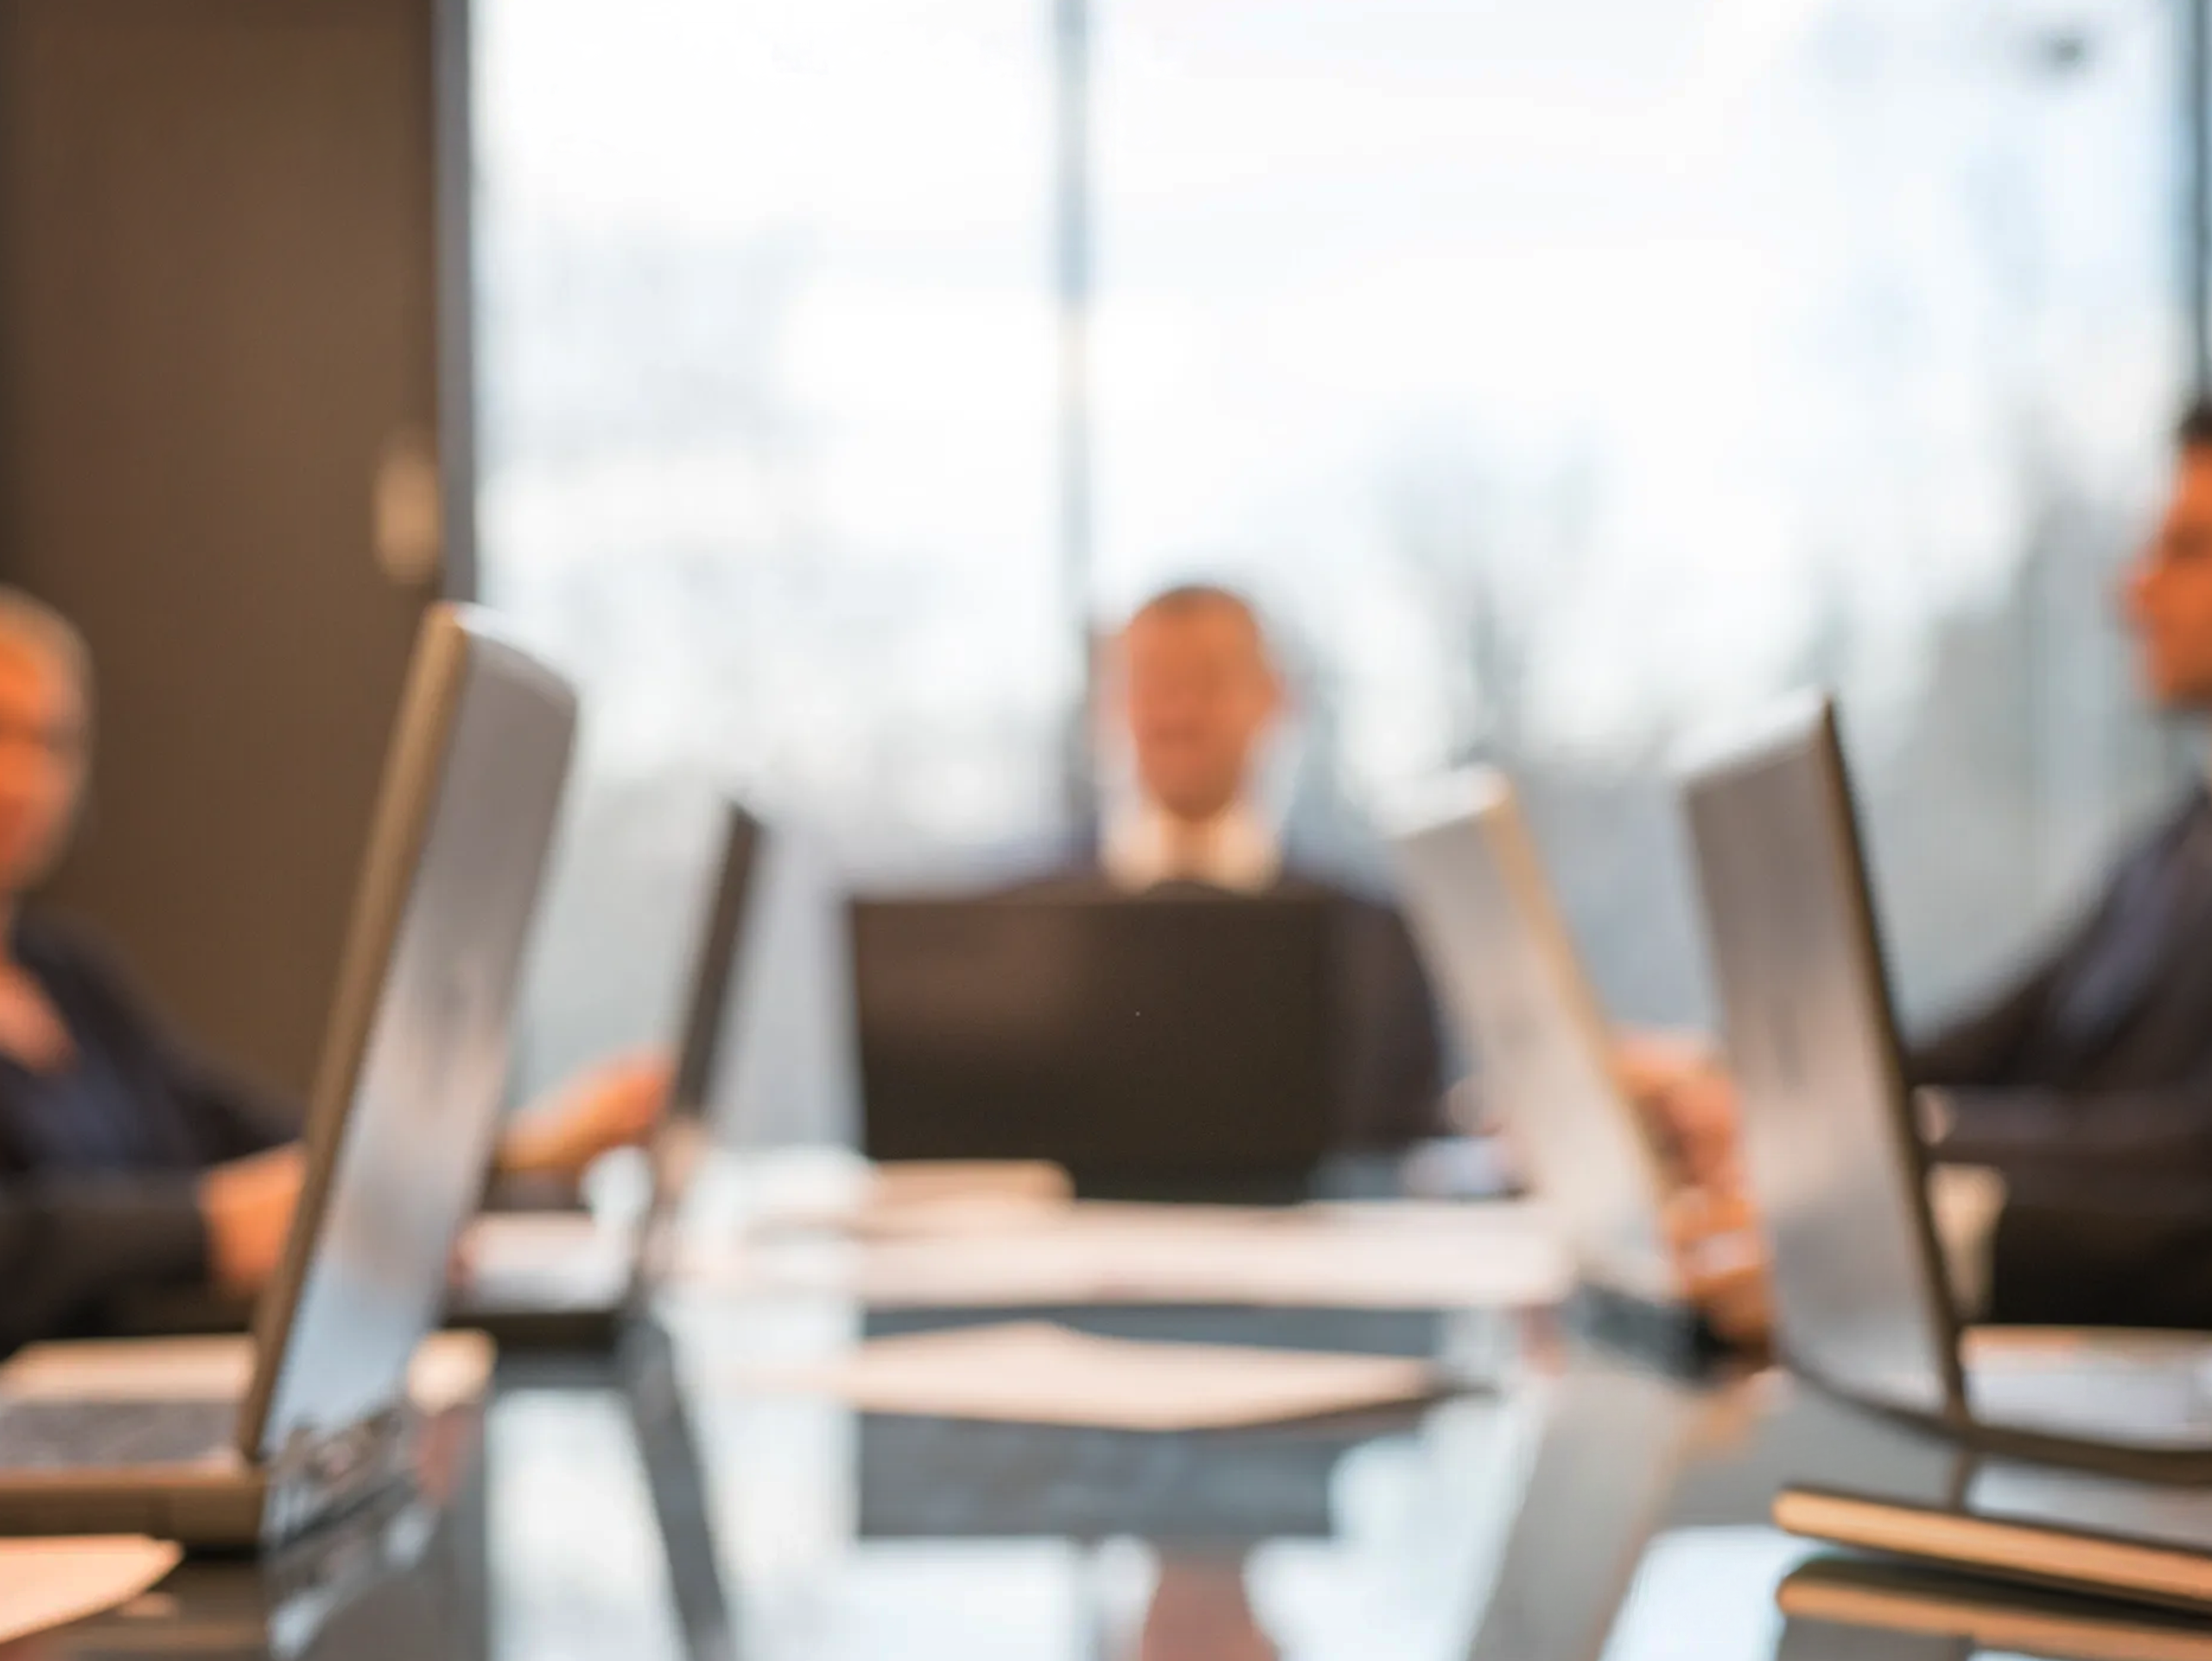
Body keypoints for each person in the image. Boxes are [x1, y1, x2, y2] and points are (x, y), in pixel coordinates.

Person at [1651, 399, 2212, 1329]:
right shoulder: (2168, 848)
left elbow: (2195, 1151)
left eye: (2187, 550)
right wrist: (1728, 1079)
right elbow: (1980, 1046)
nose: (2131, 593)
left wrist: (1882, 1157)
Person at [0, 589, 666, 1352]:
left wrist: (517, 1154)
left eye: (53, 742)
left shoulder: (71, 976)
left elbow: (272, 1149)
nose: (27, 777)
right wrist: (210, 1230)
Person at [1020, 582, 1445, 1149]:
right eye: (1154, 683)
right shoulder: (1022, 929)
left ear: (1275, 699)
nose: (1179, 712)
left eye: (1209, 682)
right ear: (1109, 705)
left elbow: (1411, 1154)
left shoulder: (1377, 939)